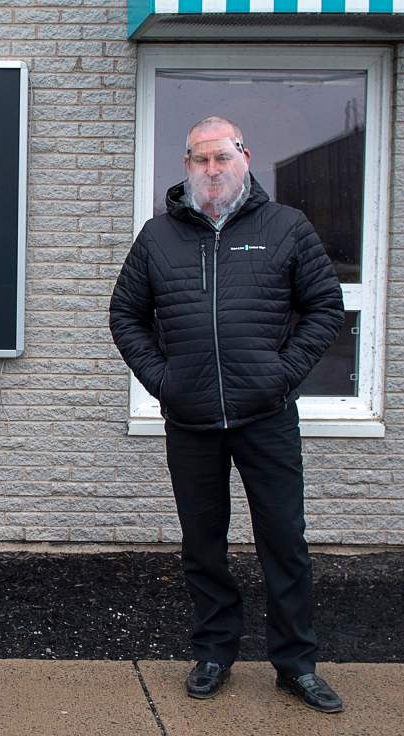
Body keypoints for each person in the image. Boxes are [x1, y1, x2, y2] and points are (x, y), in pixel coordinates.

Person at [108, 116, 346, 714]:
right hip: (190, 423)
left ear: (244, 156)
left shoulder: (286, 227)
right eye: (199, 160)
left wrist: (281, 373)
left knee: (284, 541)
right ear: (186, 166)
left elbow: (323, 307)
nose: (211, 171)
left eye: (221, 158)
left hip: (265, 415)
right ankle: (214, 651)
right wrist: (164, 382)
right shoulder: (157, 237)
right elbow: (125, 318)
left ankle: (295, 664)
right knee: (204, 544)